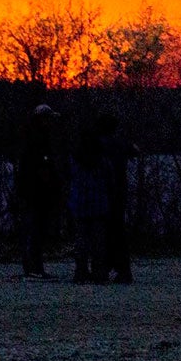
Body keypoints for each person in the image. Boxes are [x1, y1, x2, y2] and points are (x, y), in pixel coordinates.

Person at [14, 104, 61, 278]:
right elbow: (41, 169)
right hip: (35, 193)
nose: (50, 122)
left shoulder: (33, 137)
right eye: (48, 119)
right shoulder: (38, 140)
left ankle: (33, 266)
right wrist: (51, 185)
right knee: (35, 230)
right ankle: (33, 267)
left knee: (35, 230)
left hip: (32, 192)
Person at [68, 118, 109, 283]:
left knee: (81, 240)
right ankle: (99, 273)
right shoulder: (102, 161)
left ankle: (81, 272)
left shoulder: (76, 159)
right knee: (99, 240)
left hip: (81, 203)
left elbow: (71, 176)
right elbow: (110, 179)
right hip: (99, 203)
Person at [97, 112, 135, 285]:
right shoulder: (120, 145)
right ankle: (122, 269)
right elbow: (134, 150)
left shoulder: (99, 145)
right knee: (118, 232)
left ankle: (105, 268)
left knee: (104, 232)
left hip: (104, 193)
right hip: (119, 192)